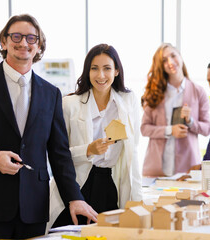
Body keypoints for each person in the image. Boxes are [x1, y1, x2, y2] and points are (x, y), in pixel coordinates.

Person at [0, 14, 97, 240]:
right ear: (3, 42)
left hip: (33, 209)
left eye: (31, 38)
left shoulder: (51, 93)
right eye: (16, 36)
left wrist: (75, 198)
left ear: (39, 46)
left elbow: (59, 153)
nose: (24, 43)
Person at [49, 43, 143, 228]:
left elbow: (134, 151)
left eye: (107, 68)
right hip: (77, 185)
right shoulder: (69, 104)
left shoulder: (128, 101)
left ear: (116, 71)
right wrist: (88, 150)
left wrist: (138, 198)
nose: (101, 75)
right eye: (94, 68)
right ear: (87, 71)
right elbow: (57, 154)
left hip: (109, 183)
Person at [140, 43, 210, 177]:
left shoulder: (198, 92)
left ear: (180, 56)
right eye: (164, 60)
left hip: (188, 167)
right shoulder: (154, 93)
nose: (170, 62)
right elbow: (144, 128)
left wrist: (190, 122)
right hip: (156, 168)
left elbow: (207, 128)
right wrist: (170, 130)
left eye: (173, 56)